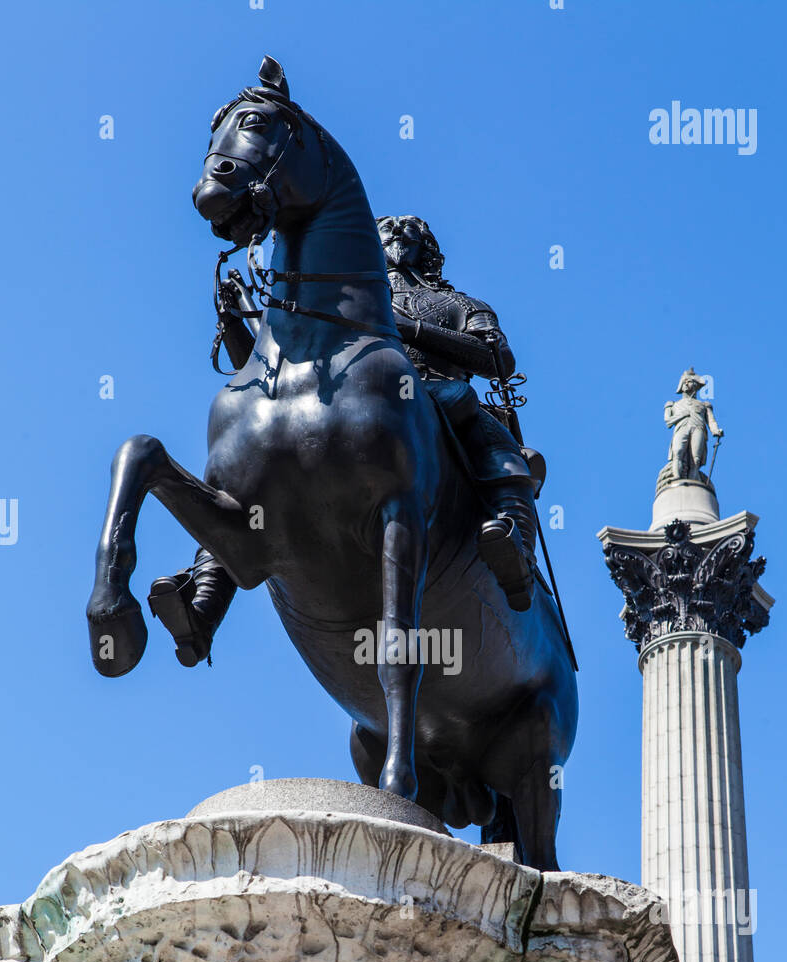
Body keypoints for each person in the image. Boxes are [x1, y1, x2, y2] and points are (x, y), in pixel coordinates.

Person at [149, 216, 543, 666]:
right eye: (386, 231)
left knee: (502, 449)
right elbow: (276, 375)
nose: (393, 238)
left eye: (405, 233)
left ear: (426, 248)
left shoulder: (459, 303)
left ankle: (515, 551)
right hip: (349, 406)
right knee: (250, 461)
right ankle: (204, 604)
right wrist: (236, 321)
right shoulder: (347, 297)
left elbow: (497, 357)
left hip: (435, 395)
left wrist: (410, 329)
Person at [664, 367, 724, 479]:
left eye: (689, 382)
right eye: (684, 382)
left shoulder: (704, 405)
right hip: (681, 428)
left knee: (696, 458)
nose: (686, 384)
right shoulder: (673, 404)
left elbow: (711, 421)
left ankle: (693, 479)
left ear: (696, 386)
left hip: (698, 429)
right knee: (678, 453)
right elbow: (668, 421)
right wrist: (682, 415)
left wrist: (716, 431)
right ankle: (676, 476)